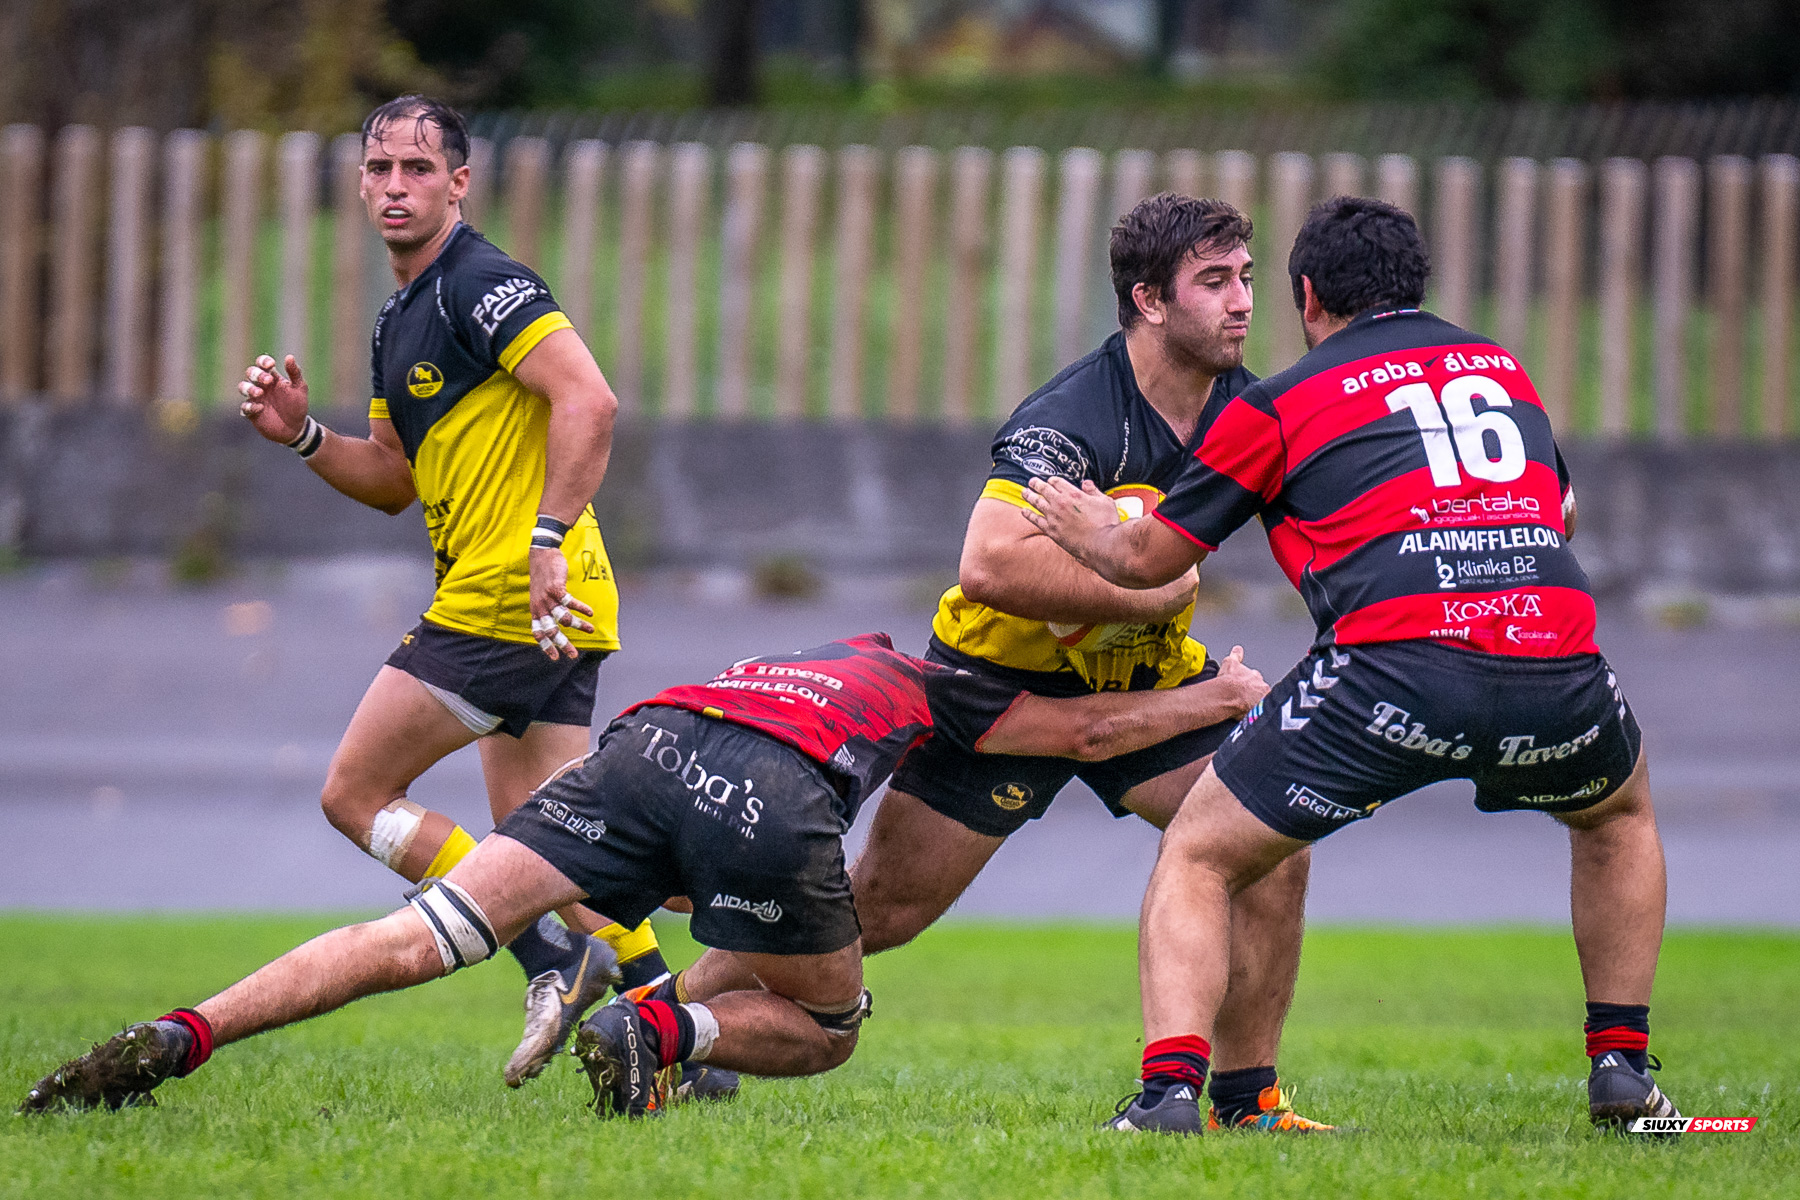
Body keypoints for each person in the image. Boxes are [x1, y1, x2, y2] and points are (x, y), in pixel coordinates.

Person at [1023, 195, 1682, 1135]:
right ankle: (1620, 1068)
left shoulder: (1283, 400)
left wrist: (1089, 527)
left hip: (1393, 676)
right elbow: (1559, 517)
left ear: (1307, 295)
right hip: (1556, 658)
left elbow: (1149, 560)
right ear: (1418, 286)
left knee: (1201, 855)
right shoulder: (1503, 371)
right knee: (1618, 813)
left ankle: (1170, 1095)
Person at [677, 193, 1329, 1133]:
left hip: (1144, 682)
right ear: (1149, 300)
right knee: (879, 914)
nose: (1242, 303)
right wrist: (1144, 592)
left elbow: (1326, 513)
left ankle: (1243, 1101)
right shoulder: (1072, 417)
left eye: (1247, 279)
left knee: (1269, 842)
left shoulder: (1247, 407)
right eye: (1216, 282)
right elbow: (987, 565)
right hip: (997, 693)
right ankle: (672, 1017)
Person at [20, 632, 1277, 1119]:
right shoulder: (953, 687)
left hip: (650, 741)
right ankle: (663, 1028)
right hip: (773, 793)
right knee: (833, 1021)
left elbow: (687, 848)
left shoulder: (827, 649)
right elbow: (1093, 736)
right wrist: (1219, 694)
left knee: (421, 935)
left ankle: (184, 1035)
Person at [232, 95, 696, 1093]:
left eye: (417, 168)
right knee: (562, 849)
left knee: (354, 795)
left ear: (459, 182)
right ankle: (679, 1041)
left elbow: (591, 397)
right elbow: (395, 480)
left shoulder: (482, 284)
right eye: (380, 169)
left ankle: (547, 963)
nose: (396, 186)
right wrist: (305, 437)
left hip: (509, 595)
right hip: (554, 603)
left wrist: (541, 536)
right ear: (360, 184)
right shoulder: (400, 318)